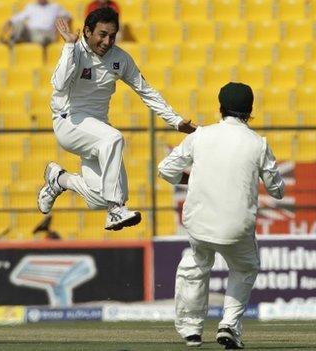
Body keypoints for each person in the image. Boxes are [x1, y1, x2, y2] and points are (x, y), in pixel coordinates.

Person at [37, 8, 196, 230]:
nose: (107, 41)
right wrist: (69, 46)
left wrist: (176, 121)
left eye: (112, 36)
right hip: (69, 121)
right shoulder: (74, 50)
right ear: (87, 31)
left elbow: (146, 91)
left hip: (96, 129)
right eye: (102, 34)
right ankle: (115, 210)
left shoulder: (120, 59)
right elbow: (60, 84)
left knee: (97, 198)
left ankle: (59, 180)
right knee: (113, 140)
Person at [158, 82, 285, 349]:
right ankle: (229, 325)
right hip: (237, 228)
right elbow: (277, 191)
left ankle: (191, 330)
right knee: (244, 268)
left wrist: (190, 178)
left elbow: (166, 170)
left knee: (195, 266)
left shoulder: (201, 135)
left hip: (200, 225)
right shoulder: (258, 144)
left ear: (220, 107)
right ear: (250, 111)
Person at [2, 0, 70, 46]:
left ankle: (20, 42)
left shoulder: (55, 7)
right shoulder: (30, 6)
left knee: (42, 38)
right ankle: (12, 41)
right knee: (19, 24)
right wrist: (9, 21)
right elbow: (18, 17)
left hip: (46, 33)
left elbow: (68, 16)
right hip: (30, 32)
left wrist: (59, 26)